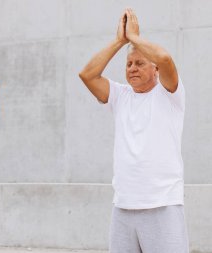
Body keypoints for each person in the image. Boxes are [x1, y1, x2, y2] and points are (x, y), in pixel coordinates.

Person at [79, 8, 188, 253]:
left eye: (139, 63)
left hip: (163, 205)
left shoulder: (169, 94)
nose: (132, 68)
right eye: (128, 64)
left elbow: (166, 59)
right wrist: (120, 41)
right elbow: (87, 75)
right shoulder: (120, 95)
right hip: (123, 208)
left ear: (155, 71)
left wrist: (136, 38)